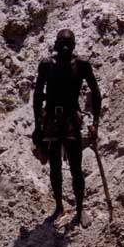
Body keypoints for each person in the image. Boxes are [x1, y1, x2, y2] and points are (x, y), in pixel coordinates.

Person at [32, 29, 101, 228]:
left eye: (68, 44)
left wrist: (95, 123)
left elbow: (96, 93)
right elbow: (37, 96)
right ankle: (59, 206)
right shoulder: (46, 65)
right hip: (52, 120)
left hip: (71, 119)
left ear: (74, 46)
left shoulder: (81, 65)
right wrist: (37, 127)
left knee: (76, 168)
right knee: (54, 168)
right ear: (55, 43)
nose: (64, 48)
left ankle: (79, 209)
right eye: (61, 43)